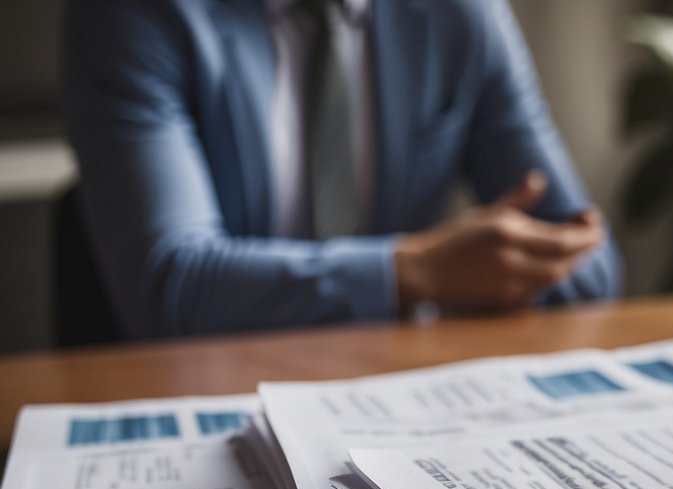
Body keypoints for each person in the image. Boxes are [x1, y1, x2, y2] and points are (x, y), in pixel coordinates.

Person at [61, 0, 619, 338]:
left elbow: (587, 261)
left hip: (406, 395)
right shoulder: (131, 15)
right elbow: (172, 285)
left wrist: (459, 279)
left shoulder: (461, 14)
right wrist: (415, 272)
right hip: (211, 401)